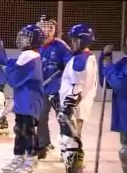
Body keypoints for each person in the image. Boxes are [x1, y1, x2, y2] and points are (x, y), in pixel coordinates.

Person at [1, 24, 44, 173]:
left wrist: (8, 68)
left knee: (27, 129)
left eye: (27, 38)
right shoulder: (27, 55)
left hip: (30, 100)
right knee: (20, 129)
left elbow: (15, 78)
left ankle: (31, 158)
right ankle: (19, 156)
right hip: (23, 99)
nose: (23, 40)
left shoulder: (31, 56)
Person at [58, 24, 98, 172]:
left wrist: (68, 106)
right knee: (68, 138)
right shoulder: (87, 57)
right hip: (79, 107)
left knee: (70, 141)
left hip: (75, 108)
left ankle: (74, 169)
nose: (72, 43)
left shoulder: (80, 60)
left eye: (75, 41)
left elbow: (77, 85)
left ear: (84, 41)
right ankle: (76, 166)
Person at [35, 14, 72, 159]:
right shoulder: (36, 46)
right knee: (40, 116)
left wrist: (65, 67)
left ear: (53, 29)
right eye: (42, 27)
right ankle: (43, 144)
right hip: (43, 89)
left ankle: (68, 146)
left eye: (48, 28)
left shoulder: (60, 46)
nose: (45, 31)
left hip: (57, 90)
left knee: (62, 117)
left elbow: (70, 64)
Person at [98, 37, 127, 173]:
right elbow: (106, 81)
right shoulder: (123, 62)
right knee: (125, 150)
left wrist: (109, 68)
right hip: (124, 114)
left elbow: (121, 85)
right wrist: (105, 57)